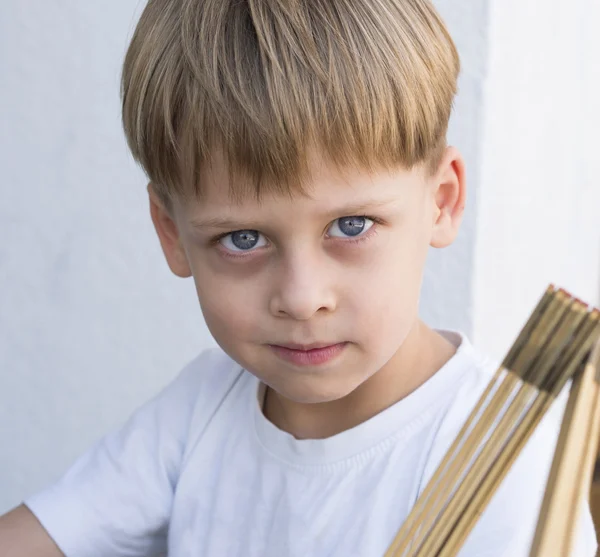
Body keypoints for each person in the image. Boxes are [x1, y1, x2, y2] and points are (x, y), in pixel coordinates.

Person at [0, 0, 596, 555]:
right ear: (171, 232)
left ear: (440, 202)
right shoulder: (202, 408)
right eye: (243, 239)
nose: (303, 298)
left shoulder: (509, 465)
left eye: (352, 225)